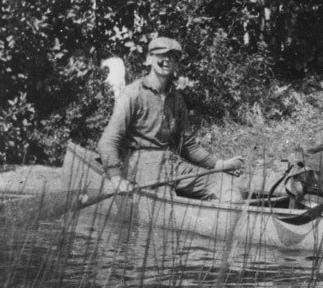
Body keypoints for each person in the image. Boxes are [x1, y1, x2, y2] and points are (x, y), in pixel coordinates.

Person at [97, 37, 245, 202]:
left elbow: (189, 147)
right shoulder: (132, 94)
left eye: (172, 56)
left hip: (173, 165)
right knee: (165, 206)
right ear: (148, 59)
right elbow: (108, 141)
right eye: (161, 54)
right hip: (142, 167)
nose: (166, 59)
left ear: (176, 65)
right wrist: (116, 177)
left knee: (226, 186)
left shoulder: (177, 100)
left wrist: (220, 165)